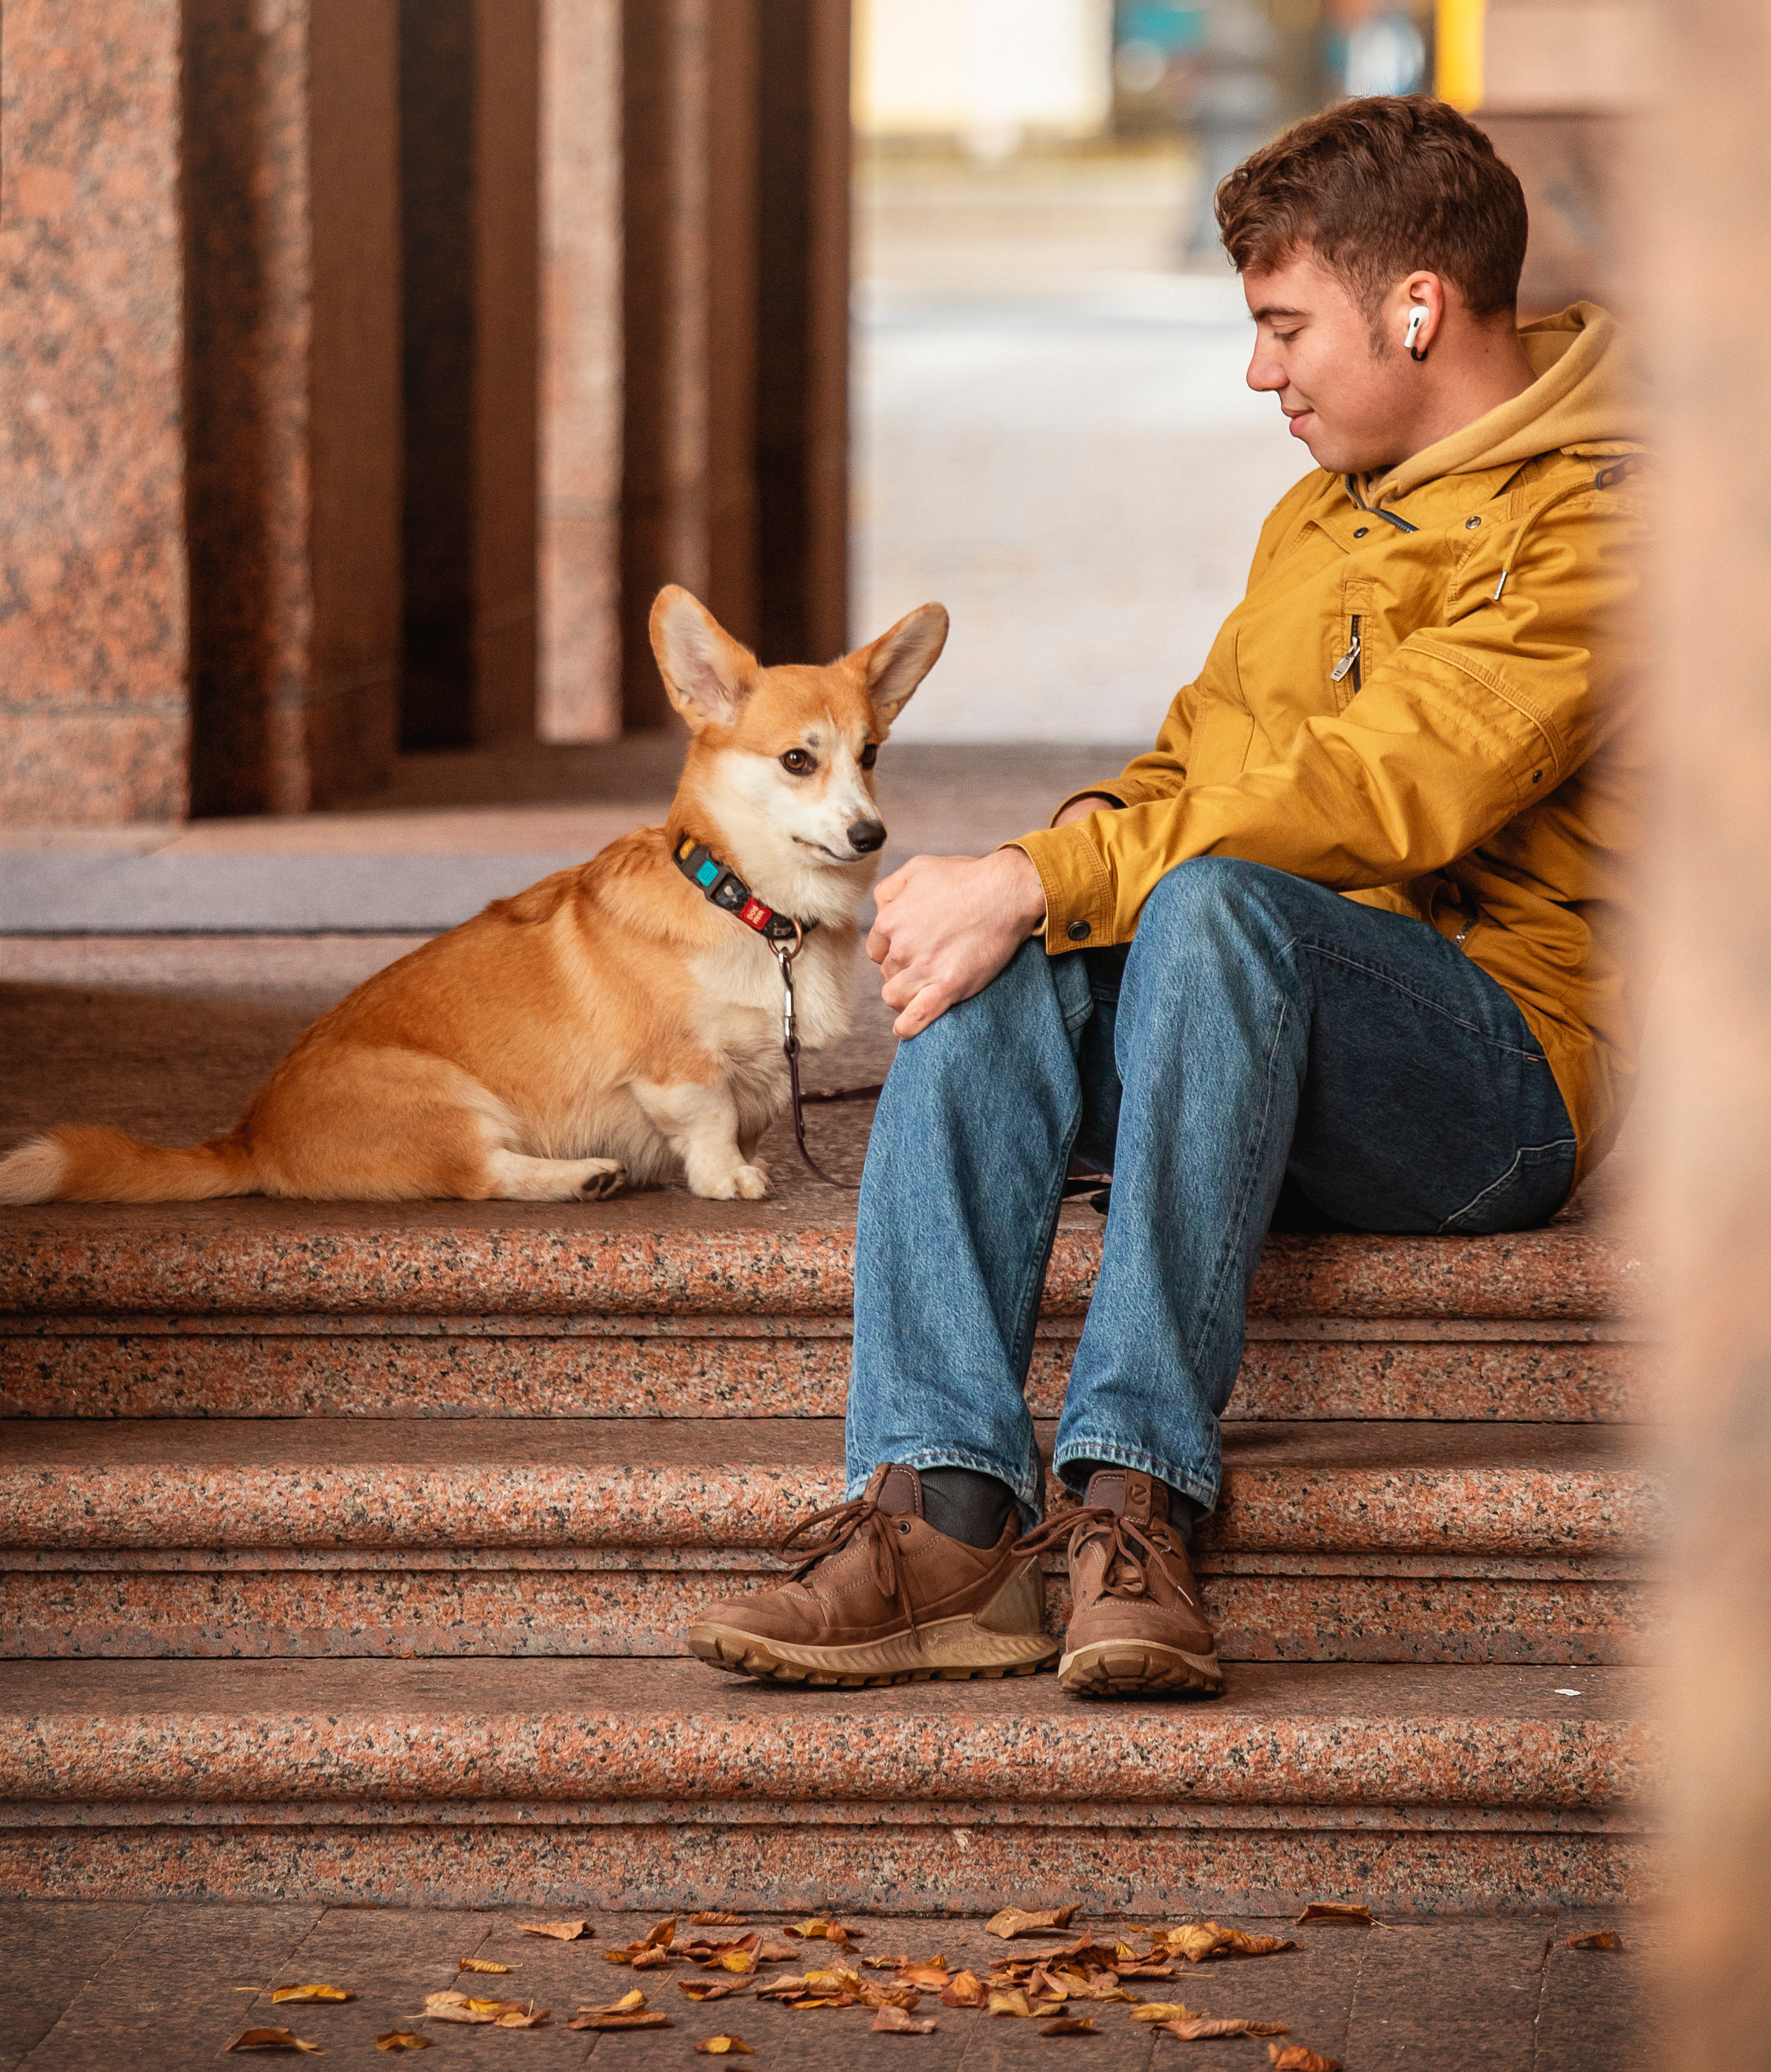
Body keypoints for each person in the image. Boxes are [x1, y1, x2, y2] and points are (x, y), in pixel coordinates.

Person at [686, 94, 1642, 1700]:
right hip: (1247, 1047)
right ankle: (940, 1514)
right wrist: (1011, 877)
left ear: (1414, 308)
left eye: (1281, 328)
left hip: (1491, 1087)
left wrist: (1048, 877)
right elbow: (1191, 762)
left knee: (1194, 903)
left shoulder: (1604, 519)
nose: (1257, 371)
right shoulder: (1317, 516)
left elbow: (1383, 789)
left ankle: (1128, 1502)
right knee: (1019, 938)